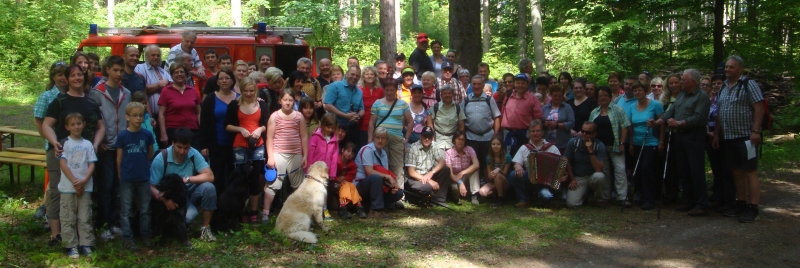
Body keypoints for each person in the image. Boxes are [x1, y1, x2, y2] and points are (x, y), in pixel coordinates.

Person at [42, 64, 105, 248]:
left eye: (80, 75)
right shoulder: (60, 101)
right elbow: (47, 125)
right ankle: (57, 233)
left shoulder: (92, 102)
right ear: (67, 79)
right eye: (73, 75)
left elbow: (101, 127)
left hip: (86, 155)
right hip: (62, 153)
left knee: (83, 191)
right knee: (57, 191)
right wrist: (55, 142)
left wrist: (94, 144)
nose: (77, 78)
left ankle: (82, 234)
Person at [653, 69, 711, 216]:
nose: (682, 82)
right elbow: (670, 111)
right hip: (679, 137)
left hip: (694, 137)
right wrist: (658, 121)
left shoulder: (701, 96)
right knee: (683, 170)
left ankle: (701, 204)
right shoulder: (682, 95)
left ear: (693, 81)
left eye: (684, 80)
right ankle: (689, 201)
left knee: (696, 171)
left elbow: (699, 118)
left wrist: (678, 123)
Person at [714, 55, 764, 223]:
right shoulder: (723, 87)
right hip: (729, 137)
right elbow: (721, 112)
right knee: (736, 171)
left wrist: (755, 131)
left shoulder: (749, 85)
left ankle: (753, 207)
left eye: (731, 67)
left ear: (740, 69)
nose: (727, 70)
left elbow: (759, 109)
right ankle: (741, 203)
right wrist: (716, 134)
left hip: (747, 137)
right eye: (726, 67)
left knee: (750, 171)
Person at [89, 55, 131, 241]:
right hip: (106, 148)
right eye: (115, 70)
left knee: (117, 186)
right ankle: (102, 224)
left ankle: (113, 223)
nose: (119, 74)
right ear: (107, 70)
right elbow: (92, 121)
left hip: (121, 147)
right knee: (105, 187)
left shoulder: (126, 93)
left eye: (121, 71)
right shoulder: (97, 93)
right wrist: (98, 140)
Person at [149, 128, 217, 242]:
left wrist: (187, 179)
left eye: (186, 148)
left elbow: (210, 176)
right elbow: (151, 186)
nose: (182, 151)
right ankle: (173, 230)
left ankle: (205, 229)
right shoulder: (161, 158)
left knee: (209, 188)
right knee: (189, 216)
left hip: (188, 191)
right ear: (173, 143)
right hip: (171, 197)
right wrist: (164, 200)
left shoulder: (193, 154)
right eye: (179, 147)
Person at [225, 77, 269, 224]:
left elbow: (266, 123)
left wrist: (259, 129)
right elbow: (227, 125)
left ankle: (254, 211)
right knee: (240, 179)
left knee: (255, 178)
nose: (249, 94)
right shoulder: (234, 104)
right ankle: (242, 210)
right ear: (241, 91)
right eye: (246, 91)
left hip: (257, 145)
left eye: (252, 91)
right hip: (239, 145)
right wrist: (240, 129)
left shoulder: (261, 104)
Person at [264, 89, 309, 222]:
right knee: (273, 184)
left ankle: (301, 213)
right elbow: (270, 138)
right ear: (280, 101)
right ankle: (265, 213)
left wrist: (305, 155)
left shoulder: (299, 116)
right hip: (278, 153)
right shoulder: (274, 116)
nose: (288, 103)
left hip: (296, 153)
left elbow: (304, 136)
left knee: (299, 185)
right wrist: (270, 157)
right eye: (285, 100)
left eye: (290, 100)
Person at [115, 102, 155, 251]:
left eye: (141, 115)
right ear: (127, 117)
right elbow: (119, 157)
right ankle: (127, 238)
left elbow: (149, 153)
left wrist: (145, 166)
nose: (138, 118)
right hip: (127, 178)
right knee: (126, 210)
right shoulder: (123, 136)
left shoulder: (147, 134)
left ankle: (146, 235)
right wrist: (120, 173)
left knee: (145, 208)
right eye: (135, 115)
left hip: (143, 177)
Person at [58, 113, 98, 258]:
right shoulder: (65, 143)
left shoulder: (87, 144)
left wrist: (84, 180)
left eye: (79, 123)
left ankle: (86, 243)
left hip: (85, 186)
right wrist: (75, 181)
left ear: (84, 124)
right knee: (68, 217)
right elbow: (63, 163)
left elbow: (91, 163)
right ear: (67, 127)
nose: (76, 126)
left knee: (85, 216)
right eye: (73, 124)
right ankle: (71, 245)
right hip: (68, 187)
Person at [588, 86, 630, 209]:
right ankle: (605, 196)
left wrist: (622, 143)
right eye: (600, 96)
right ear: (597, 98)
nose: (603, 98)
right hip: (599, 147)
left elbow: (625, 126)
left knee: (620, 170)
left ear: (610, 97)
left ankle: (622, 197)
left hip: (616, 146)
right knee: (604, 171)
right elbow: (590, 129)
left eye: (605, 95)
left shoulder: (618, 110)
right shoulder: (594, 112)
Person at [369, 78, 412, 194]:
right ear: (384, 90)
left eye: (391, 90)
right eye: (387, 90)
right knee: (381, 166)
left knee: (397, 166)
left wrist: (406, 139)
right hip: (380, 138)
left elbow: (410, 121)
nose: (389, 92)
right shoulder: (377, 103)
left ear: (395, 90)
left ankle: (398, 195)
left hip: (397, 138)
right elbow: (371, 123)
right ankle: (383, 193)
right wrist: (369, 141)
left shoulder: (403, 104)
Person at [199, 68, 238, 194]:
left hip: (236, 143)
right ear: (217, 82)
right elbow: (204, 122)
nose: (224, 81)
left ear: (232, 80)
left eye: (227, 78)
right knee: (218, 175)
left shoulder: (240, 98)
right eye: (221, 78)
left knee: (235, 175)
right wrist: (204, 145)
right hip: (217, 143)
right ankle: (218, 206)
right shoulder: (210, 98)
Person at [626, 83, 664, 210]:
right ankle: (640, 195)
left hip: (651, 142)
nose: (637, 92)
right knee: (638, 170)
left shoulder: (655, 105)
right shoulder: (632, 106)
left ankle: (649, 198)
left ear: (645, 91)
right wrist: (631, 143)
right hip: (637, 142)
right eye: (635, 90)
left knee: (647, 168)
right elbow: (631, 127)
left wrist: (661, 141)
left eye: (639, 90)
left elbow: (662, 123)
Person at [508, 120, 561, 208]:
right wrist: (518, 166)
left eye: (538, 131)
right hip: (530, 180)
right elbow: (517, 163)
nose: (535, 133)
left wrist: (560, 176)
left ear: (542, 132)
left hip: (547, 182)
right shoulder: (524, 148)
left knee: (546, 197)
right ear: (529, 133)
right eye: (533, 131)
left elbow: (560, 166)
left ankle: (543, 196)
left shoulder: (552, 148)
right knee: (514, 174)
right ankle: (524, 200)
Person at [355, 127, 404, 218]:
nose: (380, 140)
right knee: (375, 177)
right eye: (377, 137)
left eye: (383, 138)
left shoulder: (384, 153)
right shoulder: (367, 150)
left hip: (376, 186)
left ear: (386, 140)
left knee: (398, 193)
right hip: (361, 185)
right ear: (373, 138)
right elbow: (369, 172)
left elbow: (384, 174)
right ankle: (376, 210)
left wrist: (392, 186)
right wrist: (388, 176)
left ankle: (369, 205)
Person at [462, 75, 501, 183]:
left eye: (479, 84)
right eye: (474, 84)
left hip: (487, 137)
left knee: (487, 163)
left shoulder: (489, 99)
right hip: (471, 137)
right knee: (472, 163)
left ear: (483, 85)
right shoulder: (466, 100)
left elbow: (497, 117)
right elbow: (461, 119)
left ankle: (488, 185)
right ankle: (474, 189)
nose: (477, 86)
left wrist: (495, 134)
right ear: (471, 85)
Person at [564, 122, 609, 208]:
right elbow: (567, 161)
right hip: (579, 178)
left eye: (588, 132)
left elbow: (598, 169)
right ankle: (585, 195)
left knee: (599, 176)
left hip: (593, 176)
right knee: (572, 204)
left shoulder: (599, 145)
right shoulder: (573, 142)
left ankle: (598, 199)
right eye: (583, 131)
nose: (584, 134)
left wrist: (590, 151)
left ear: (594, 134)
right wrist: (572, 179)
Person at [706, 74, 734, 212]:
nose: (717, 85)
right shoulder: (711, 100)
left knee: (726, 169)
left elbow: (722, 117)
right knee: (716, 168)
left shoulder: (725, 100)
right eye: (715, 83)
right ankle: (718, 196)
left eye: (719, 83)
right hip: (710, 137)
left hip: (725, 137)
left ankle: (728, 199)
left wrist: (717, 134)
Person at [405, 126, 452, 207]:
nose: (427, 139)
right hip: (415, 178)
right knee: (427, 188)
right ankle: (414, 199)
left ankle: (439, 200)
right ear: (420, 136)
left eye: (429, 137)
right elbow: (411, 172)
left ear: (432, 137)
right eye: (425, 136)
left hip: (427, 174)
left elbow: (442, 162)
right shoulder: (413, 148)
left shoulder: (434, 145)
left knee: (446, 170)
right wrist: (429, 181)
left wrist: (431, 172)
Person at [158, 63, 201, 148]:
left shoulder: (193, 91)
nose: (179, 74)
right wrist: (163, 134)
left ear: (185, 74)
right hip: (173, 132)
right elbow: (161, 114)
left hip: (192, 131)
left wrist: (202, 131)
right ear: (172, 75)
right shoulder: (166, 91)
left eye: (182, 72)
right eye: (176, 72)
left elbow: (199, 113)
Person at [501, 74, 544, 156]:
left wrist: (533, 135)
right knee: (507, 159)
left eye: (523, 83)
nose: (520, 85)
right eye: (518, 83)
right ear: (514, 84)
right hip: (508, 134)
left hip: (524, 135)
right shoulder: (508, 96)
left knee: (523, 159)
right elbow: (503, 113)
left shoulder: (533, 99)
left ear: (527, 84)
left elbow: (538, 119)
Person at [306, 114, 339, 219]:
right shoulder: (316, 137)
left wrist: (332, 172)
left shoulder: (334, 140)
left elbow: (334, 157)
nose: (330, 130)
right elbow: (310, 153)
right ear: (323, 125)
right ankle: (311, 211)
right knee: (312, 190)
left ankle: (324, 209)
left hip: (325, 171)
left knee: (324, 190)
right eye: (328, 127)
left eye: (332, 128)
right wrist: (308, 170)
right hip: (315, 171)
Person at [324, 65, 364, 145]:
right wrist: (345, 115)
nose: (354, 77)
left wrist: (358, 116)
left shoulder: (359, 92)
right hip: (335, 127)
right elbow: (328, 106)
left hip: (352, 129)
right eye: (352, 74)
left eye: (357, 75)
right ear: (347, 73)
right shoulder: (335, 86)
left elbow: (362, 109)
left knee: (350, 154)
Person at [134, 45, 172, 127]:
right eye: (153, 55)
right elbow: (140, 90)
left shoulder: (162, 71)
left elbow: (172, 86)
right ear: (147, 56)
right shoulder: (140, 68)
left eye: (158, 55)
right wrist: (158, 85)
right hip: (148, 116)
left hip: (165, 116)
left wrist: (167, 83)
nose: (156, 57)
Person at [445, 131, 481, 204]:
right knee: (454, 189)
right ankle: (458, 197)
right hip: (454, 179)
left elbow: (477, 164)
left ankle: (474, 195)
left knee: (475, 170)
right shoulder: (449, 153)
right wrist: (460, 182)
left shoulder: (469, 149)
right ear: (454, 140)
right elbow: (450, 174)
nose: (460, 141)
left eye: (463, 139)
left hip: (465, 177)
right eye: (458, 139)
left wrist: (462, 173)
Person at [335, 142, 366, 219]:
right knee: (346, 185)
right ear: (342, 150)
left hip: (346, 184)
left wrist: (345, 178)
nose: (349, 154)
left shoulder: (352, 164)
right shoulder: (336, 160)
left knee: (351, 185)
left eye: (352, 153)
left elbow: (352, 176)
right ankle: (342, 207)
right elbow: (331, 174)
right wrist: (338, 179)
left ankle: (359, 206)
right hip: (334, 184)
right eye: (348, 151)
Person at [541, 84, 576, 153]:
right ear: (551, 95)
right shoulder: (545, 108)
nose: (557, 97)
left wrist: (558, 125)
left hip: (563, 143)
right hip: (546, 143)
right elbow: (539, 123)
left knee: (561, 163)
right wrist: (544, 124)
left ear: (563, 95)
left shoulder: (567, 107)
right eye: (555, 95)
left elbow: (572, 123)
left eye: (559, 96)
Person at [357, 66, 385, 149]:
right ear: (363, 76)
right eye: (367, 74)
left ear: (375, 76)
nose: (369, 76)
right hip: (362, 125)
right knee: (363, 149)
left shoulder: (380, 90)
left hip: (377, 124)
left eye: (372, 74)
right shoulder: (359, 89)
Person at [431, 84, 465, 151]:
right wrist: (432, 139)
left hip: (452, 141)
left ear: (453, 95)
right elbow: (430, 124)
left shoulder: (458, 108)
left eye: (449, 93)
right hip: (438, 140)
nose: (447, 95)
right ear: (441, 95)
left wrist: (458, 140)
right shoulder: (435, 107)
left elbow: (461, 126)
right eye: (445, 93)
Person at [481, 136, 510, 207]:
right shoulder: (488, 158)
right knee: (482, 192)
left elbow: (505, 173)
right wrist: (491, 175)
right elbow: (489, 176)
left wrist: (499, 170)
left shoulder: (507, 157)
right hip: (493, 181)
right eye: (493, 144)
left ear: (501, 145)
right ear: (491, 146)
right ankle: (498, 194)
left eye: (498, 144)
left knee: (498, 176)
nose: (495, 146)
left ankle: (500, 198)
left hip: (505, 181)